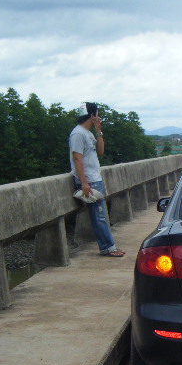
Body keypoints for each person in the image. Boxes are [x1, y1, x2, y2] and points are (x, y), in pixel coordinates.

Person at [69, 102, 125, 257]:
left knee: (100, 214)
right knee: (99, 215)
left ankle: (108, 246)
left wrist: (99, 131)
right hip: (89, 181)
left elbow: (100, 151)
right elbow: (77, 158)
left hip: (95, 178)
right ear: (92, 115)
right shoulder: (78, 134)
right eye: (97, 114)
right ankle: (108, 247)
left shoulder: (88, 133)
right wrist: (84, 182)